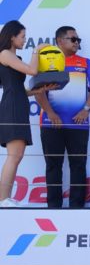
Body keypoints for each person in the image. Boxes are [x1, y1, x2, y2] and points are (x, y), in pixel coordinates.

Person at [35, 26, 90, 208]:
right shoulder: (47, 62)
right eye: (73, 39)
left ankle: (77, 208)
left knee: (78, 165)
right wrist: (50, 112)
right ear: (60, 41)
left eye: (78, 39)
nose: (77, 42)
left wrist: (86, 110)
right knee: (53, 166)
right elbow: (38, 91)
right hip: (50, 123)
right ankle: (53, 207)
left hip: (78, 124)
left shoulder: (86, 63)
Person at [0, 20, 53, 207]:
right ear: (12, 37)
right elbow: (32, 70)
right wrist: (37, 50)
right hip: (12, 107)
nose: (24, 40)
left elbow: (20, 89)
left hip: (19, 104)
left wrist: (39, 90)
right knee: (14, 155)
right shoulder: (5, 54)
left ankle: (6, 198)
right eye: (22, 37)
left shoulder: (15, 57)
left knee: (18, 155)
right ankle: (2, 199)